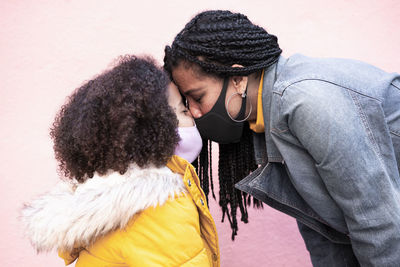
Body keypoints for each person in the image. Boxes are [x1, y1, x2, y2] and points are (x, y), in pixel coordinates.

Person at [163, 10, 400, 267]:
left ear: (239, 79)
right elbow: (323, 230)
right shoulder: (264, 120)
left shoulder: (305, 102)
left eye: (197, 97)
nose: (195, 113)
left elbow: (378, 224)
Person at [21, 55, 220, 267]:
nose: (194, 115)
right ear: (160, 133)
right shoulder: (162, 208)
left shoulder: (102, 205)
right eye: (183, 110)